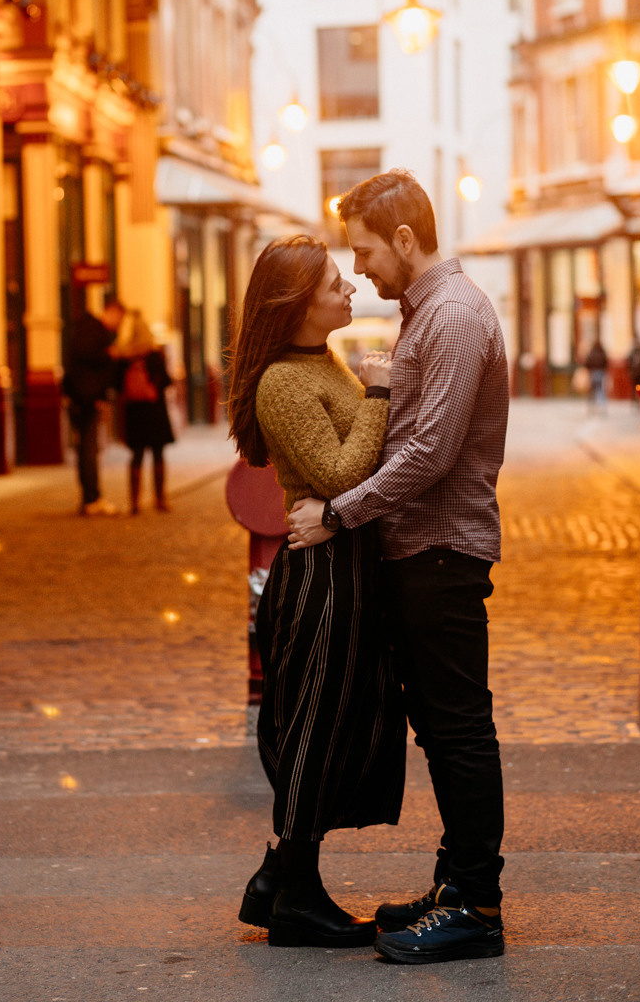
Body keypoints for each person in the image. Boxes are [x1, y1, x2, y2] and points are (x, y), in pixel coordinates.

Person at [287, 169, 509, 965]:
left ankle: (477, 905)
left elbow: (428, 451)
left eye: (367, 250)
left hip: (441, 548)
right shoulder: (427, 313)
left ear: (406, 241)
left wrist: (338, 513)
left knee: (457, 727)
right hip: (421, 547)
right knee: (443, 728)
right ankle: (456, 884)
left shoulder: (450, 316)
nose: (363, 268)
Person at [228, 234, 407, 949]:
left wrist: (368, 392)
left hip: (347, 569)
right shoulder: (282, 381)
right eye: (335, 283)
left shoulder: (315, 360)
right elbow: (339, 475)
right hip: (319, 585)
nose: (349, 289)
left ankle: (279, 878)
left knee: (338, 724)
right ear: (298, 301)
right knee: (315, 729)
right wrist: (380, 390)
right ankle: (295, 894)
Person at [63, 296, 125, 516]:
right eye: (119, 318)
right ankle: (92, 498)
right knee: (88, 449)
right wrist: (108, 355)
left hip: (83, 397)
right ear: (112, 312)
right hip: (85, 399)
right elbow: (88, 364)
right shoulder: (93, 331)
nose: (118, 324)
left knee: (87, 449)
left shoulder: (91, 330)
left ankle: (91, 496)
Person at [113, 311, 175, 514]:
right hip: (155, 411)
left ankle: (134, 503)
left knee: (136, 456)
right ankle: (160, 499)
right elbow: (166, 380)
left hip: (135, 413)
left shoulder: (124, 356)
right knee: (158, 455)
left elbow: (116, 385)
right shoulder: (155, 354)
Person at [584, 337, 609, 413]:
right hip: (601, 373)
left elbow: (587, 363)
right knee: (600, 390)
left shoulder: (592, 352)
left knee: (593, 390)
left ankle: (592, 407)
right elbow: (606, 362)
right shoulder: (602, 352)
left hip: (593, 373)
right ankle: (602, 406)